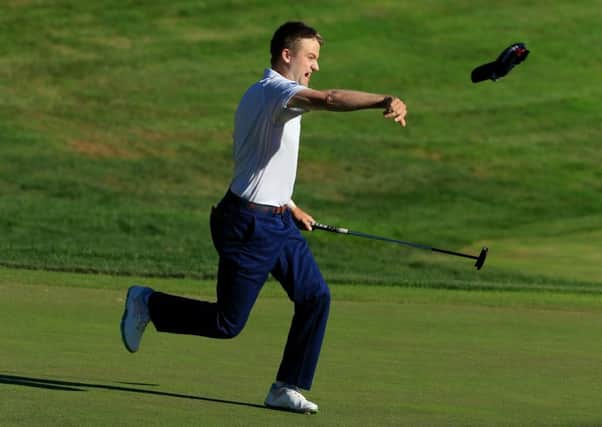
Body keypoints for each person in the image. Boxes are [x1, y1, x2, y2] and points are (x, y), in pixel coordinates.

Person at [120, 21, 407, 414]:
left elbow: (259, 164)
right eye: (311, 57)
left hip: (276, 219)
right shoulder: (276, 92)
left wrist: (289, 205)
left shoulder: (271, 97)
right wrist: (383, 99)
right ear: (286, 56)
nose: (315, 66)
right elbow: (330, 98)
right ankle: (149, 303)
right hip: (248, 225)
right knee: (227, 324)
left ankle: (285, 387)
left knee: (315, 296)